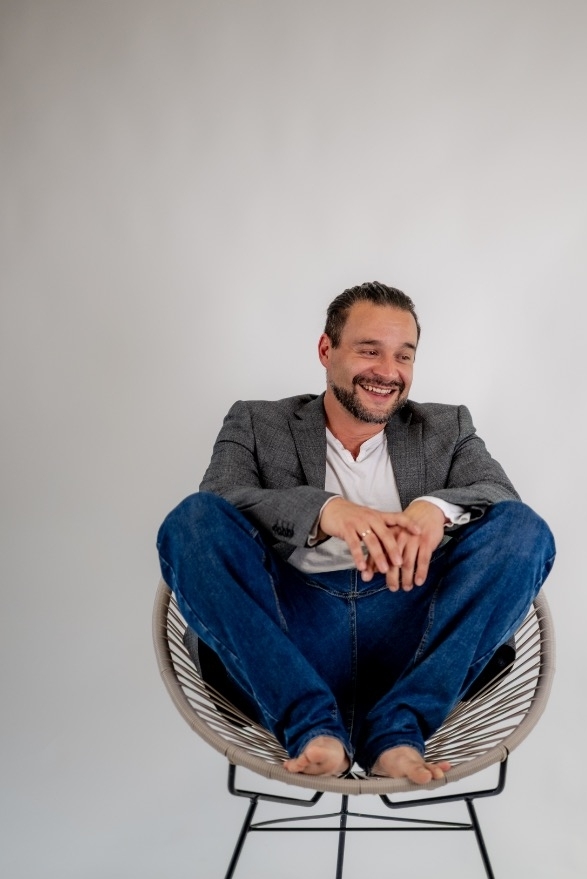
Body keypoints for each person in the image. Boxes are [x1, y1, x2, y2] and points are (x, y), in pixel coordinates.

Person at [157, 282, 555, 784]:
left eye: (403, 356)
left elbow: (500, 497)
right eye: (370, 350)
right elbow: (221, 499)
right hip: (290, 632)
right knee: (191, 522)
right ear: (327, 350)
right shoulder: (256, 421)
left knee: (525, 531)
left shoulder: (447, 427)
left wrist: (435, 509)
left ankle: (398, 731)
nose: (388, 372)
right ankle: (310, 727)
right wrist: (325, 511)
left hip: (410, 631)